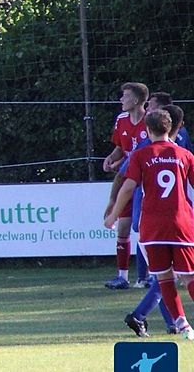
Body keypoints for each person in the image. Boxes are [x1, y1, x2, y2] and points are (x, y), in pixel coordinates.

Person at [104, 108, 194, 341]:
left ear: (146, 130)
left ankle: (183, 325)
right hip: (181, 224)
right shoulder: (185, 155)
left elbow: (127, 187)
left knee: (164, 278)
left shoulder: (141, 155)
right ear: (172, 127)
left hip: (152, 226)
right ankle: (180, 324)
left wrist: (113, 215)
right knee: (189, 277)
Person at [123, 104, 187, 336]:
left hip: (158, 222)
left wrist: (113, 207)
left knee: (166, 275)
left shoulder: (175, 149)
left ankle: (149, 317)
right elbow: (126, 176)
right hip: (168, 222)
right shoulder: (176, 151)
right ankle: (169, 321)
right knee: (170, 276)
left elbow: (124, 179)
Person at [102, 82, 149, 289]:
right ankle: (122, 277)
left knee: (144, 229)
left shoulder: (150, 121)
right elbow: (120, 148)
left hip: (145, 182)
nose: (121, 99)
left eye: (125, 95)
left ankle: (151, 275)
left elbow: (143, 152)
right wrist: (110, 158)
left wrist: (121, 164)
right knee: (123, 227)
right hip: (126, 179)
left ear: (137, 100)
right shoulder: (121, 120)